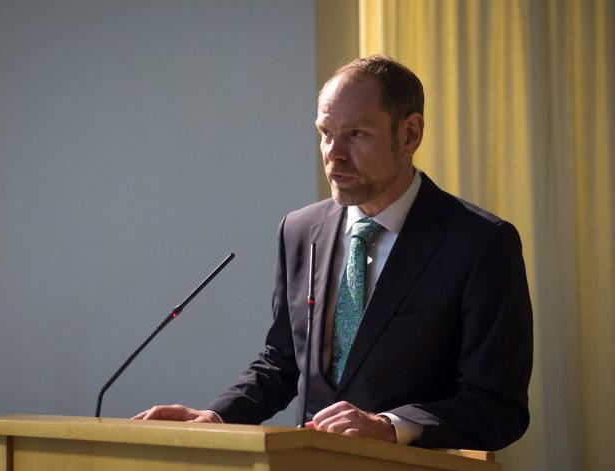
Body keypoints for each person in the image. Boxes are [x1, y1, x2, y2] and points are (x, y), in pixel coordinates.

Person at [134, 55, 532, 450]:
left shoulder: (481, 243)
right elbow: (284, 361)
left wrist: (390, 426)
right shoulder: (300, 230)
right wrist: (216, 416)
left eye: (356, 134)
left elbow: (497, 405)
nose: (333, 153)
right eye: (325, 133)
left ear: (410, 135)